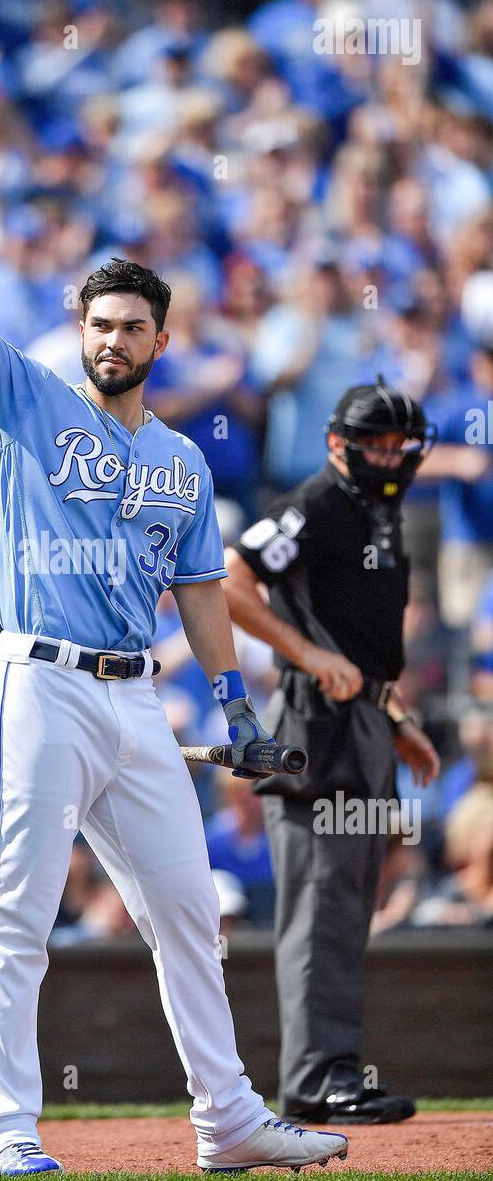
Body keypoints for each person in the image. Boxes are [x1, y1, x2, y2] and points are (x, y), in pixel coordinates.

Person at [0, 113, 351, 1179]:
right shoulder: (30, 399)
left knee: (190, 913)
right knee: (17, 913)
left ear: (162, 342)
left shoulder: (183, 464)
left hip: (134, 700)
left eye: (131, 327)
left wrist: (237, 707)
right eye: (99, 322)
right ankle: (4, 1129)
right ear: (80, 329)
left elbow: (201, 591)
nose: (111, 339)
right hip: (36, 682)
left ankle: (229, 1120)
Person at [223, 378, 441, 1125]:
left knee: (346, 902)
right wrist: (309, 657)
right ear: (336, 445)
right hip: (315, 726)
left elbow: (364, 644)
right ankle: (317, 1081)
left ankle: (334, 1070)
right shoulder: (314, 504)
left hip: (363, 720)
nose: (386, 454)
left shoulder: (377, 510)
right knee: (319, 902)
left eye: (396, 443)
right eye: (373, 442)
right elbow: (230, 578)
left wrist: (397, 716)